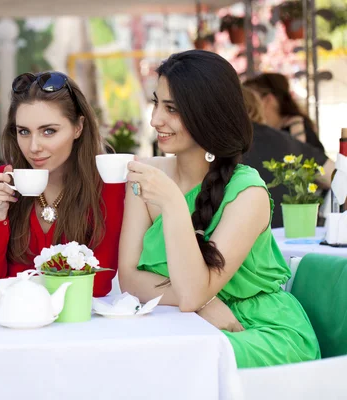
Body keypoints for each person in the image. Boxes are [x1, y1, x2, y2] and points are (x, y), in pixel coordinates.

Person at [119, 50, 320, 368]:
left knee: (180, 362)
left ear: (207, 114)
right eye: (156, 103)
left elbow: (192, 292)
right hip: (184, 324)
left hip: (259, 331)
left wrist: (172, 203)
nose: (156, 119)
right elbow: (129, 279)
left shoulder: (246, 192)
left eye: (171, 108)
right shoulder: (146, 175)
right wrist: (204, 303)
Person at [0, 72, 125, 298]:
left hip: (79, 327)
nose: (34, 146)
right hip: (15, 327)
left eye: (48, 131)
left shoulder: (106, 184)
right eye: (24, 131)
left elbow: (99, 283)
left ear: (78, 127)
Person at [241, 86, 334, 227]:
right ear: (257, 107)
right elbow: (335, 177)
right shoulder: (283, 140)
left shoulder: (213, 144)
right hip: (290, 236)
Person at [244, 72, 325, 152]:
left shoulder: (296, 129)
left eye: (252, 100)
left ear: (269, 99)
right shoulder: (277, 130)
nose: (248, 108)